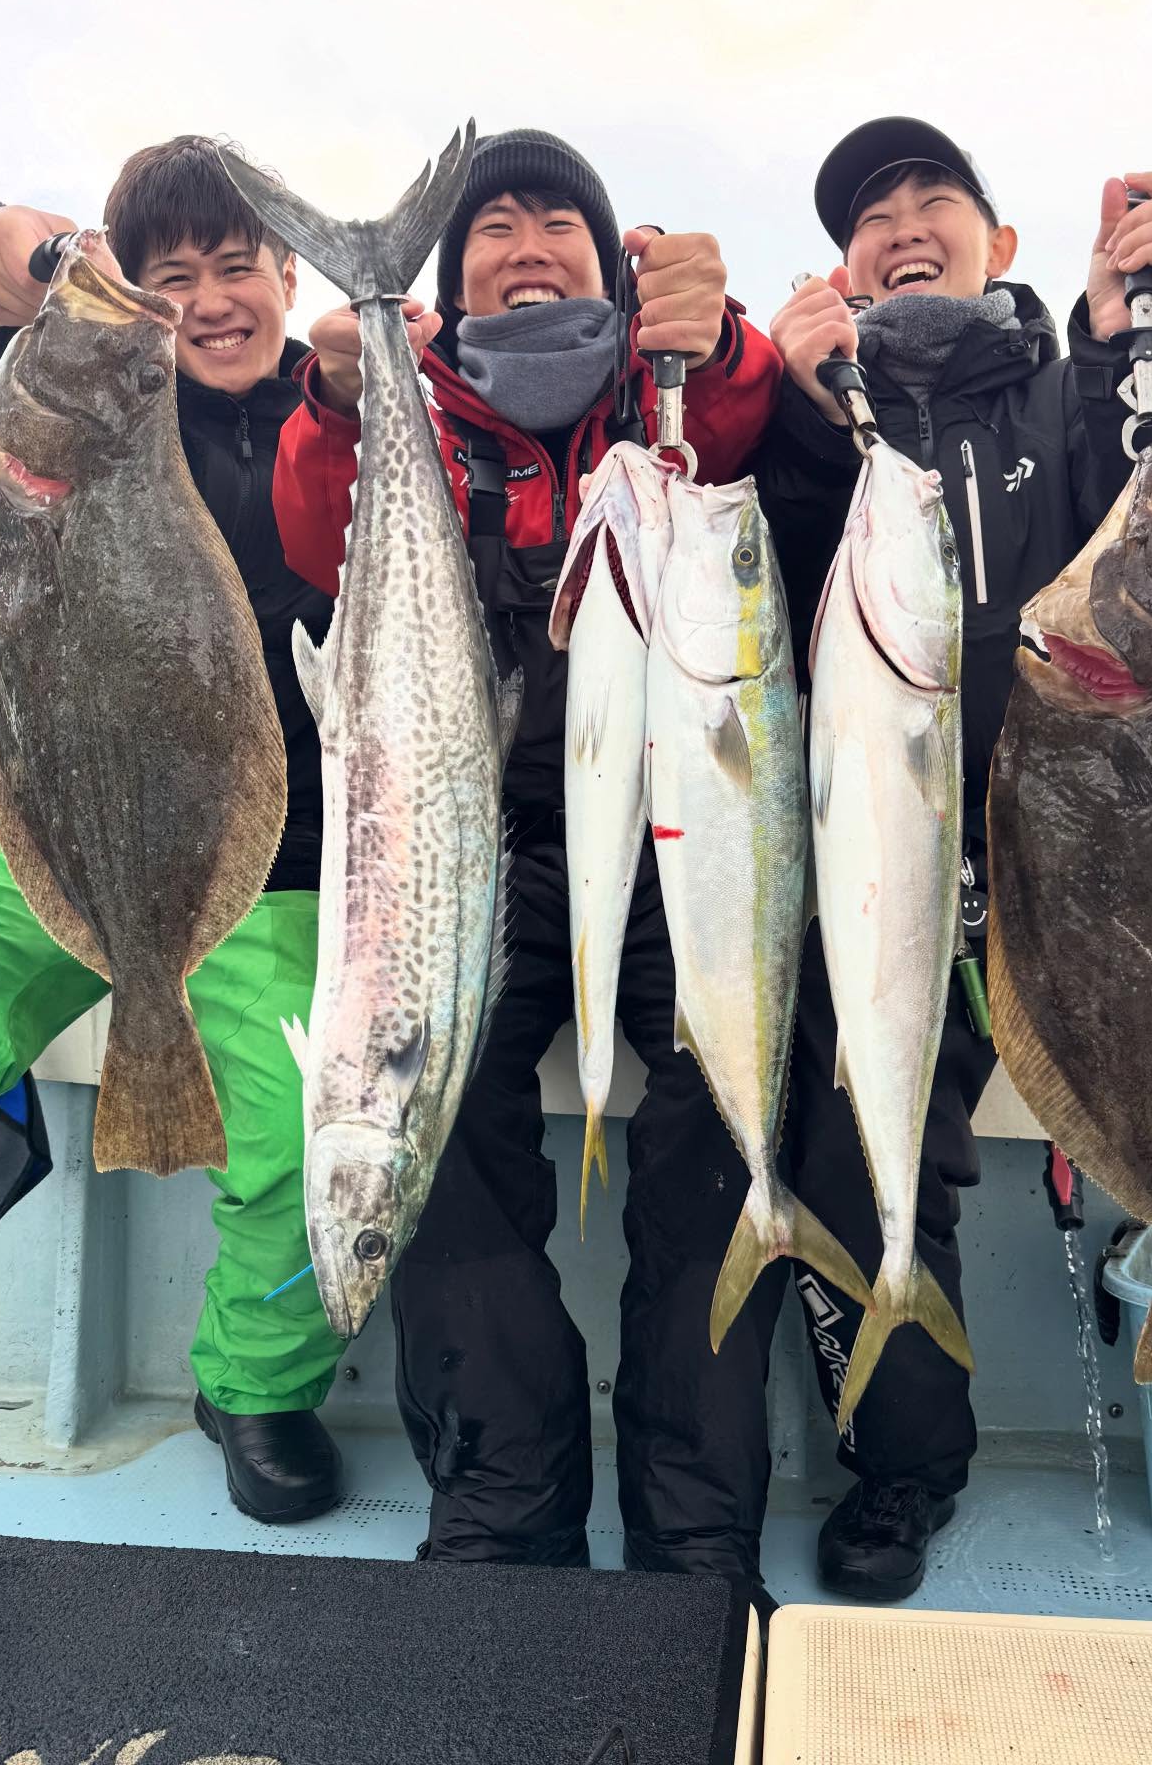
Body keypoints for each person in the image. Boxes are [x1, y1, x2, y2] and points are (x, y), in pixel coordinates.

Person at [752, 115, 1152, 1602]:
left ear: (1000, 244)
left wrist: (1151, 343)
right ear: (844, 271)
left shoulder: (1074, 397)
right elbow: (766, 602)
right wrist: (790, 415)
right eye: (870, 217)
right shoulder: (829, 432)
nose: (902, 226)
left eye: (933, 199)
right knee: (847, 1128)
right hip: (910, 903)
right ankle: (903, 1465)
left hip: (1111, 888)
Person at [271, 128, 788, 1594]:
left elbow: (756, 423)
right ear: (457, 284)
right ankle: (507, 1495)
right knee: (428, 1125)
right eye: (491, 226)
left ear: (608, 264)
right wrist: (334, 398)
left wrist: (717, 336)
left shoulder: (672, 390)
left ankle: (696, 1524)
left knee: (725, 1107)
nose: (525, 245)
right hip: (468, 846)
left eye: (557, 221)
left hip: (669, 843)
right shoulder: (415, 416)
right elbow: (313, 533)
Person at [0, 140, 348, 1524]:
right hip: (42, 825)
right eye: (168, 276)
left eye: (235, 267)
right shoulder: (58, 402)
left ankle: (253, 1385)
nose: (205, 302)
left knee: (309, 1132)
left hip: (261, 863)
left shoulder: (340, 422)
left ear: (287, 275)